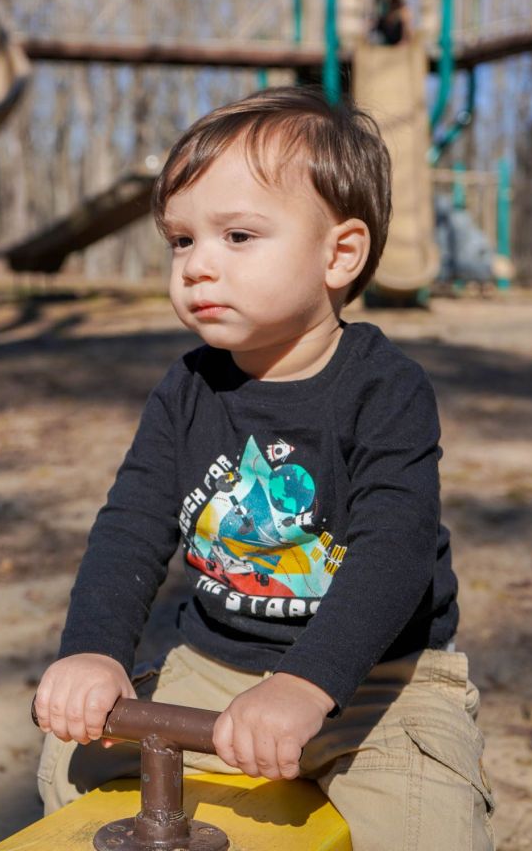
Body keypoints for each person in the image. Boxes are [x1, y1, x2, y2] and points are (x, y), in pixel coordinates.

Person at [33, 86, 495, 851]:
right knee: (74, 764)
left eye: (237, 236)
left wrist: (305, 685)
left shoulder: (384, 390)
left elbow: (395, 549)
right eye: (181, 241)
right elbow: (132, 526)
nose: (197, 266)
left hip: (380, 681)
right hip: (211, 664)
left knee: (428, 826)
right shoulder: (187, 389)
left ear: (337, 254)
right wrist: (94, 647)